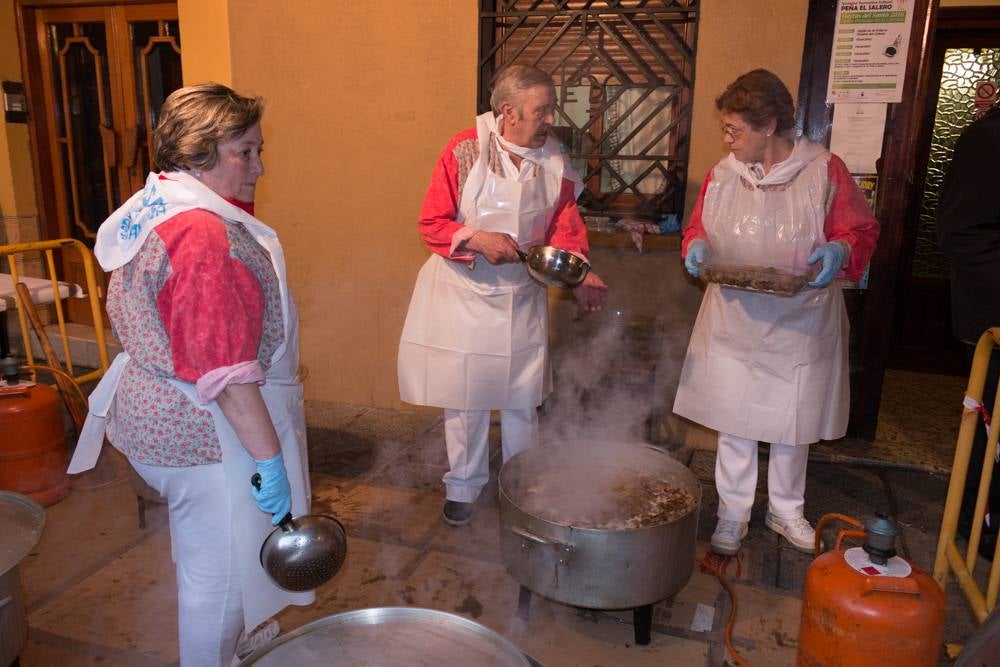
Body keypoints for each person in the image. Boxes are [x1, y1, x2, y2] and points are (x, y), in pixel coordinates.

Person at [67, 83, 312, 665]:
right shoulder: (202, 236)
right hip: (201, 428)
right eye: (245, 151)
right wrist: (270, 460)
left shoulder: (158, 203)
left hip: (158, 410)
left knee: (207, 544)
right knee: (217, 583)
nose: (260, 166)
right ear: (200, 153)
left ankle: (232, 642)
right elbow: (226, 371)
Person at [673, 69, 879, 555]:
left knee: (795, 418)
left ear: (768, 126)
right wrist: (696, 242)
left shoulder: (824, 171)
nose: (726, 138)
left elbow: (860, 231)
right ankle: (732, 513)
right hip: (734, 317)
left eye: (734, 129)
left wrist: (839, 252)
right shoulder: (724, 175)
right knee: (734, 416)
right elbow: (697, 226)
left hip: (801, 319)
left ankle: (787, 509)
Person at [398, 65, 608, 527]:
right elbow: (432, 223)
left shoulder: (553, 159)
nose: (551, 119)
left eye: (551, 109)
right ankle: (464, 486)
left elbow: (565, 229)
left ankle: (520, 488)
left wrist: (583, 273)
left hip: (520, 294)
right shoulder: (465, 148)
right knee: (466, 398)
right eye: (542, 110)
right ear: (508, 111)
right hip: (463, 293)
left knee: (520, 399)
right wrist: (476, 238)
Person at [936, 100, 1000, 559]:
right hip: (993, 321)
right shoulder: (989, 138)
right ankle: (981, 527)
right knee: (989, 434)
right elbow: (962, 231)